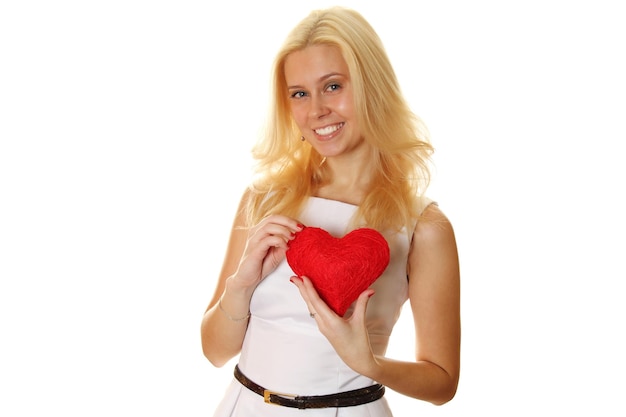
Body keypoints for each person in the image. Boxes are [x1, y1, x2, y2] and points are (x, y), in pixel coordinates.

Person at [201, 6, 460, 416]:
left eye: (333, 86)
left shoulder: (422, 226)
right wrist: (240, 287)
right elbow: (215, 352)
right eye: (299, 93)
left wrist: (368, 364)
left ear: (372, 85)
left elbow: (442, 382)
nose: (316, 110)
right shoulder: (264, 199)